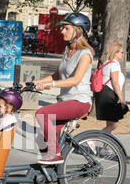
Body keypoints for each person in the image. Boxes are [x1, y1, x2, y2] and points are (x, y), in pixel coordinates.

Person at [24, 12, 94, 167]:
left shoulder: (85, 54)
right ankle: (50, 176)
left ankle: (54, 155)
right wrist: (33, 83)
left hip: (79, 101)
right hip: (66, 101)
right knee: (42, 137)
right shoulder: (68, 51)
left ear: (78, 30)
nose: (62, 31)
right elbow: (57, 75)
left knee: (42, 113)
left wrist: (51, 86)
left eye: (66, 28)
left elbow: (75, 80)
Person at [94, 42, 127, 134]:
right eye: (121, 52)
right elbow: (115, 83)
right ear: (115, 53)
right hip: (109, 96)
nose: (122, 54)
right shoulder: (114, 65)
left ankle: (107, 147)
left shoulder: (106, 63)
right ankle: (93, 140)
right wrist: (122, 99)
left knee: (109, 124)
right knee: (114, 124)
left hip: (103, 94)